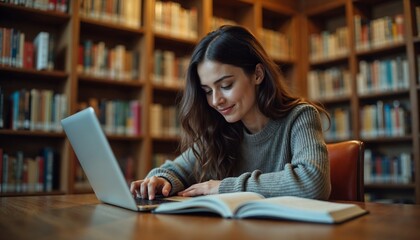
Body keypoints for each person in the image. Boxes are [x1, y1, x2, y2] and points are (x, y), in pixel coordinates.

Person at [130, 25, 331, 201]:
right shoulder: (221, 128)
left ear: (258, 74)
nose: (216, 100)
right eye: (207, 91)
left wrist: (223, 187)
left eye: (226, 85)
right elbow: (175, 170)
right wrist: (161, 181)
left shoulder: (300, 117)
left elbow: (313, 182)